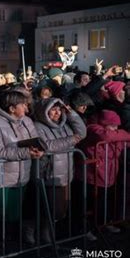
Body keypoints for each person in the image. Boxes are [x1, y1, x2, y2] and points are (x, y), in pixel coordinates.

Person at [0, 91, 44, 243]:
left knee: (16, 217)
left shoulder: (26, 120)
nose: (26, 107)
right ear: (11, 108)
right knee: (4, 219)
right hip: (3, 178)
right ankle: (1, 251)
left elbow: (35, 140)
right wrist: (26, 152)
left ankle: (13, 249)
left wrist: (37, 149)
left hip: (23, 175)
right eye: (23, 104)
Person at [29, 98, 86, 244]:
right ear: (44, 111)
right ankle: (33, 230)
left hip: (65, 172)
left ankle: (45, 231)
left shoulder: (64, 125)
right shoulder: (36, 126)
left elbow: (82, 132)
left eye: (59, 109)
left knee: (59, 210)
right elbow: (46, 145)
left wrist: (71, 113)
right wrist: (72, 140)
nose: (57, 112)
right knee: (51, 208)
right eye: (53, 109)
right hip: (48, 172)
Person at [76, 110, 130, 239]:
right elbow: (106, 136)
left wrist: (119, 135)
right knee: (88, 203)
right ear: (104, 123)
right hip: (92, 175)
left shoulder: (113, 133)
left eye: (117, 126)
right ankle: (84, 229)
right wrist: (124, 134)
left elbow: (124, 141)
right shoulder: (93, 128)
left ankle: (104, 223)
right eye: (113, 125)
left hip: (108, 174)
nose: (116, 129)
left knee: (104, 202)